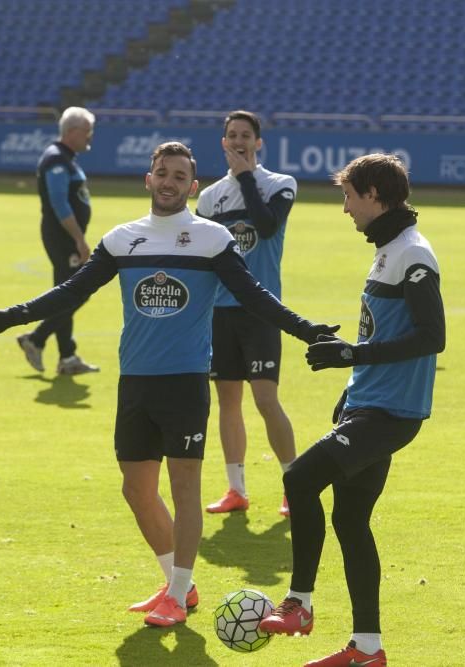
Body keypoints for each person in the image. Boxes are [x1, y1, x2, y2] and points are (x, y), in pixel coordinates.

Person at [0, 142, 337, 627]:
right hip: (136, 382)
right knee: (136, 488)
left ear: (193, 186)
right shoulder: (123, 239)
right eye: (161, 172)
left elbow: (255, 297)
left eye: (179, 175)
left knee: (185, 487)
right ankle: (177, 586)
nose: (169, 181)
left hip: (185, 382)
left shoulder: (210, 239)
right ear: (149, 180)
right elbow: (70, 292)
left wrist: (306, 329)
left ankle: (180, 591)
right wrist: (6, 317)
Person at [257, 154, 445, 667]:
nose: (345, 209)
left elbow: (432, 336)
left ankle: (299, 603)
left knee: (299, 479)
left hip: (390, 412)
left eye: (348, 196)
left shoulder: (413, 254)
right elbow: (381, 328)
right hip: (368, 404)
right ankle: (367, 648)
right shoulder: (389, 248)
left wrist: (352, 357)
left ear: (375, 196)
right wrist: (351, 386)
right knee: (350, 521)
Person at [196, 110, 299, 517]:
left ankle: (294, 486)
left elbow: (266, 226)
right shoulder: (208, 198)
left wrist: (244, 178)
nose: (238, 141)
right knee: (227, 400)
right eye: (231, 135)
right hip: (220, 311)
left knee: (265, 398)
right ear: (223, 142)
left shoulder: (279, 185)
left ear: (258, 143)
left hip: (260, 309)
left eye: (246, 135)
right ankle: (235, 489)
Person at [15, 106, 100, 376]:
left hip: (65, 238)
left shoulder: (65, 158)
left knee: (67, 293)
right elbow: (60, 204)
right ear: (72, 131)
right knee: (77, 292)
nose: (90, 137)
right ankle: (36, 339)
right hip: (63, 239)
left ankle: (67, 357)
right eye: (87, 132)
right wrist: (79, 239)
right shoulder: (56, 160)